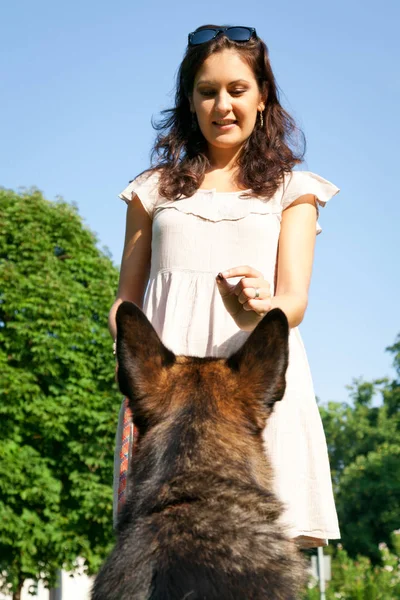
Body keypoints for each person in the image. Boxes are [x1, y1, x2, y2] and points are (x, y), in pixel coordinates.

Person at [109, 24, 340, 549]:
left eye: (237, 89)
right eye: (207, 91)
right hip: (166, 402)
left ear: (263, 98)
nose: (222, 104)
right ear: (190, 102)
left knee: (256, 556)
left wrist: (267, 302)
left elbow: (294, 301)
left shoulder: (294, 190)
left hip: (252, 398)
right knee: (160, 546)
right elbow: (126, 298)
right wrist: (133, 376)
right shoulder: (152, 190)